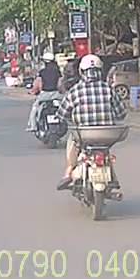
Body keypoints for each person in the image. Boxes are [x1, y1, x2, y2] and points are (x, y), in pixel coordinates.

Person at [56, 54, 125, 190]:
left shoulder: (75, 91)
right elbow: (122, 113)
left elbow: (62, 114)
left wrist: (69, 118)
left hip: (84, 134)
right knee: (106, 154)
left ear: (82, 72)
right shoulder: (108, 89)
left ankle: (68, 173)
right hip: (106, 136)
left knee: (72, 142)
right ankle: (113, 177)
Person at [26, 52, 63, 132]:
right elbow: (60, 84)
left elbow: (38, 85)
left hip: (45, 95)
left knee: (35, 108)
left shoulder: (42, 72)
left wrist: (33, 91)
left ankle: (33, 126)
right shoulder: (58, 71)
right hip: (57, 94)